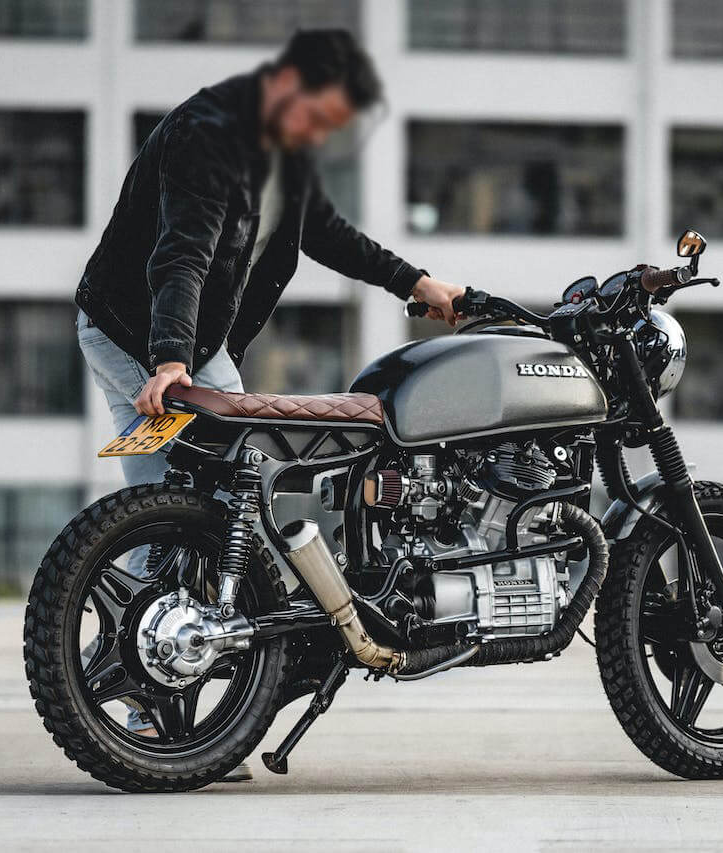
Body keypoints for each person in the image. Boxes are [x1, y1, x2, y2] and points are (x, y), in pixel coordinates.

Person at [73, 30, 465, 777]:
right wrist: (170, 358)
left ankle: (177, 704)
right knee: (223, 497)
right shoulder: (208, 135)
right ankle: (209, 690)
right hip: (139, 333)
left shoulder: (287, 150)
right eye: (319, 117)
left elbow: (328, 235)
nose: (321, 136)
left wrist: (419, 284)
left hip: (165, 338)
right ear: (287, 86)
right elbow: (183, 251)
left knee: (197, 512)